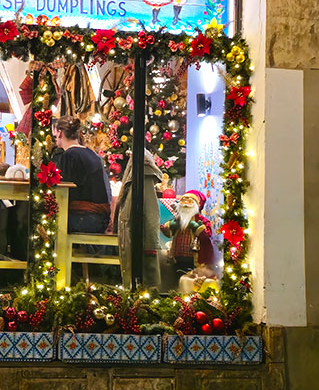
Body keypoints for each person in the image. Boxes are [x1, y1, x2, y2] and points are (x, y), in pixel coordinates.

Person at [115, 149, 164, 288]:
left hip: (137, 236)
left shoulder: (143, 175)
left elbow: (150, 213)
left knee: (143, 280)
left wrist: (150, 244)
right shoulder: (138, 174)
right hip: (132, 232)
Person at [54, 117, 111, 234]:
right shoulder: (92, 154)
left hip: (85, 219)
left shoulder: (69, 156)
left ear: (59, 133)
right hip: (100, 218)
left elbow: (63, 192)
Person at [159, 190, 215, 291]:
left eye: (189, 202)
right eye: (183, 201)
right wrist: (168, 226)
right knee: (176, 283)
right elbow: (167, 232)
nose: (185, 204)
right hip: (176, 260)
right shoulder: (178, 220)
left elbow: (206, 237)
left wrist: (195, 226)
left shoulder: (202, 221)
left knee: (190, 285)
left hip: (194, 262)